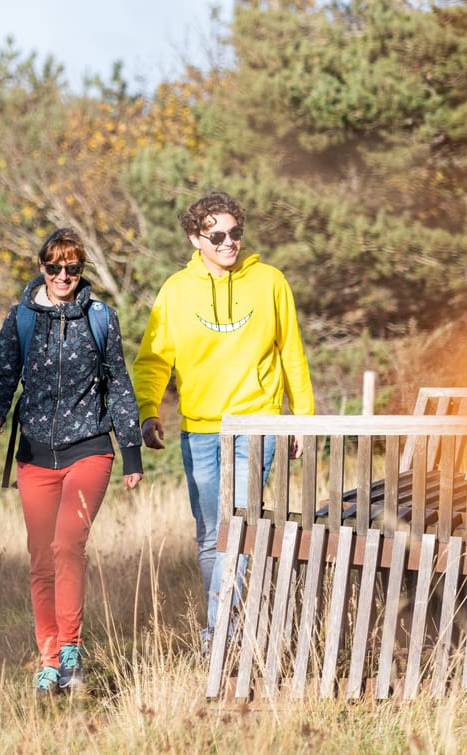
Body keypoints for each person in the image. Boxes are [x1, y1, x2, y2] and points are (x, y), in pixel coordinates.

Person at [131, 191, 314, 653]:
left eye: (235, 233)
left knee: (242, 526)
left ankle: (222, 634)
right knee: (212, 533)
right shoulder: (176, 290)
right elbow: (153, 359)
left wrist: (302, 417)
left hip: (258, 426)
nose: (229, 242)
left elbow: (291, 351)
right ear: (196, 238)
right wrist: (147, 410)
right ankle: (227, 629)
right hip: (200, 430)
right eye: (217, 235)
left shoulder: (270, 281)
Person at [0, 227, 145, 696]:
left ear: (81, 270)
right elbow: (1, 376)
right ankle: (48, 661)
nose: (63, 275)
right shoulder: (20, 319)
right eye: (54, 267)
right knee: (40, 559)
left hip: (89, 447)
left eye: (72, 268)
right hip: (33, 454)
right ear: (42, 267)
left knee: (67, 544)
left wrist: (130, 450)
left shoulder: (100, 317)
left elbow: (118, 384)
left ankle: (71, 651)